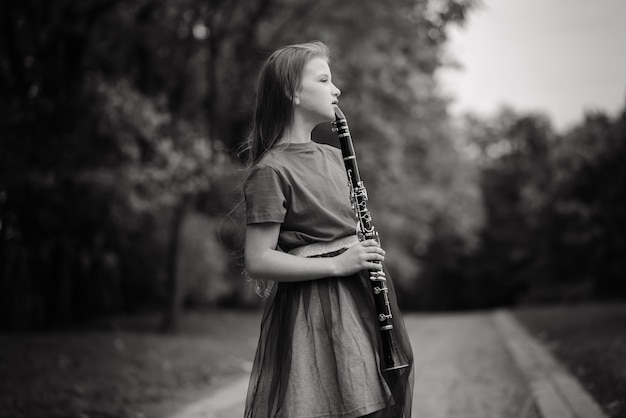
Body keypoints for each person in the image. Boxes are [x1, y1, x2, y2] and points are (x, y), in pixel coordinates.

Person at [242, 41, 414, 418]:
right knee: (338, 405)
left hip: (361, 296)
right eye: (323, 79)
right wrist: (338, 264)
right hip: (319, 303)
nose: (335, 90)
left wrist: (361, 244)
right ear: (292, 92)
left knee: (375, 400)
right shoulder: (271, 170)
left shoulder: (336, 156)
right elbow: (258, 260)